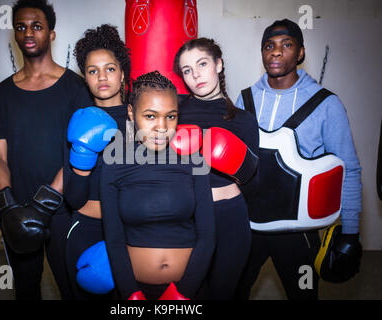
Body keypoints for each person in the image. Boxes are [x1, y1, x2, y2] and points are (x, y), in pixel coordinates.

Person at [235, 19, 363, 300]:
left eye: (286, 45)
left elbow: (349, 170)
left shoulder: (327, 104)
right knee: (231, 291)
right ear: (262, 53)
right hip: (249, 225)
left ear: (300, 53)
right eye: (269, 46)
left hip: (298, 231)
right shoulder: (244, 100)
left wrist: (351, 232)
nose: (276, 52)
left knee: (303, 295)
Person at [0, 0, 92, 299]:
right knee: (27, 291)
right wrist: (10, 209)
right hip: (17, 209)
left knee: (74, 289)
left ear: (52, 33)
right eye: (21, 27)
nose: (28, 33)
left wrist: (44, 204)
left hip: (63, 211)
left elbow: (81, 151)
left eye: (37, 26)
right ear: (15, 34)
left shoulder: (77, 88)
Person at [100, 71, 216, 300]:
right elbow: (113, 238)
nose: (162, 127)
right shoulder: (113, 162)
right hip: (134, 290)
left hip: (189, 289)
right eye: (151, 116)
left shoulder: (195, 160)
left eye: (171, 116)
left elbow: (208, 236)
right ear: (132, 113)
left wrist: (183, 294)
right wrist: (130, 293)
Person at [173, 38, 259, 300]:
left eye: (202, 64)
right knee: (189, 294)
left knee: (223, 293)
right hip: (185, 216)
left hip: (227, 217)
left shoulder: (243, 120)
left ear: (218, 65)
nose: (195, 75)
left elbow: (254, 184)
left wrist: (234, 160)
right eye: (187, 70)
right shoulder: (174, 111)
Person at [63, 24, 131, 299]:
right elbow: (73, 198)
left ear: (122, 73)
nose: (102, 76)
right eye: (93, 71)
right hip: (86, 228)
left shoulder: (142, 121)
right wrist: (82, 155)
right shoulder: (78, 120)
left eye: (110, 68)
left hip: (131, 232)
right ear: (86, 78)